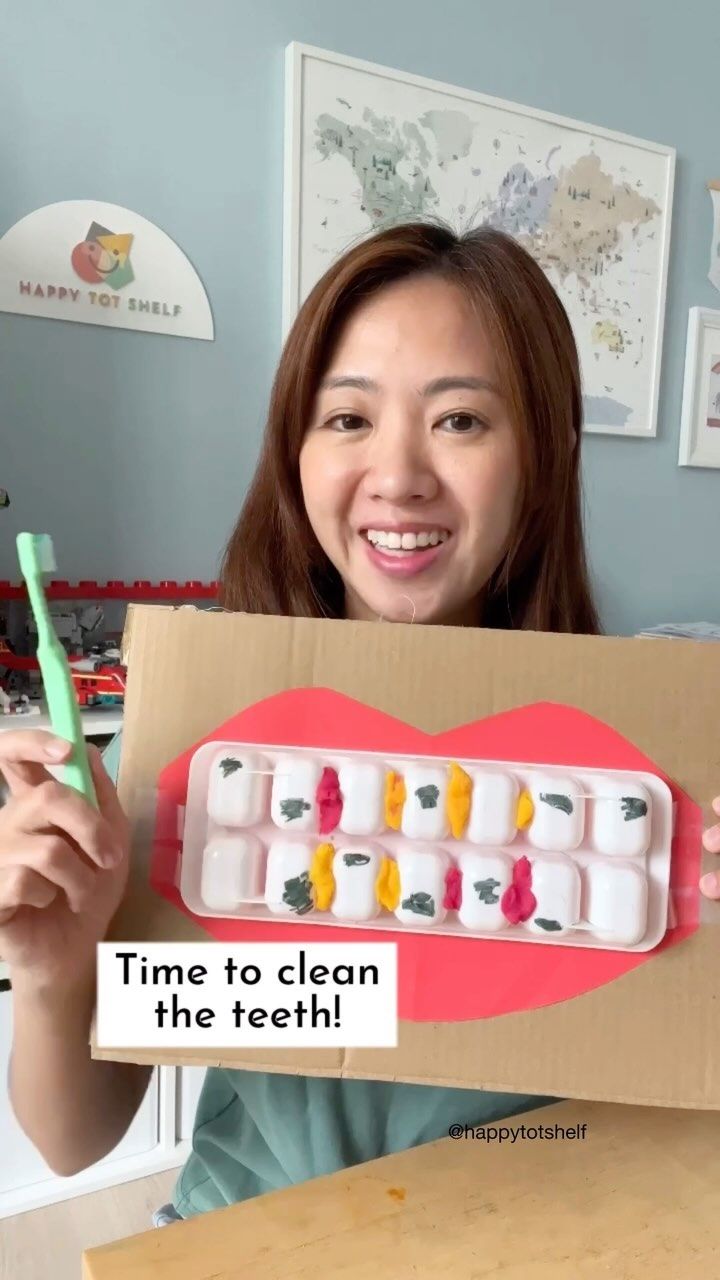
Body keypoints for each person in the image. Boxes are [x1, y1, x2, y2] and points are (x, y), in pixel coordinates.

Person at [2, 222, 719, 1221]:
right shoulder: (192, 748)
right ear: (294, 450)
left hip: (529, 1237)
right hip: (250, 1242)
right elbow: (74, 1141)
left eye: (460, 420)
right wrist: (50, 971)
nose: (399, 475)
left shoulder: (657, 768)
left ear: (544, 453)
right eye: (346, 418)